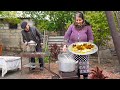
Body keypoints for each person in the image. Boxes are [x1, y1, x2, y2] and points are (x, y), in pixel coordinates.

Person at [63, 12, 94, 79]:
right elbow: (66, 36)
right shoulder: (72, 26)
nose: (78, 21)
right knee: (75, 70)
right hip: (73, 50)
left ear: (83, 19)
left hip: (84, 51)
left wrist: (89, 46)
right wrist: (65, 45)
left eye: (80, 20)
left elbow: (91, 38)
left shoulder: (87, 27)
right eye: (77, 20)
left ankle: (85, 77)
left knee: (84, 70)